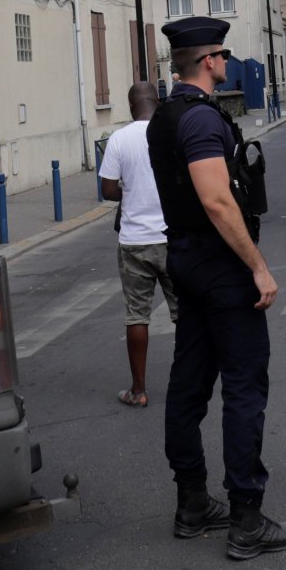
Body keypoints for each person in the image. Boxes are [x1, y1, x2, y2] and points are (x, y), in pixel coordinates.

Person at [147, 16, 286, 561]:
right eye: (224, 56)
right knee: (243, 388)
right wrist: (257, 266)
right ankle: (247, 518)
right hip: (220, 266)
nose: (228, 64)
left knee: (189, 383)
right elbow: (216, 199)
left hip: (185, 258)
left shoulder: (165, 115)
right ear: (209, 60)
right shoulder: (203, 121)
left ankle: (191, 503)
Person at [100, 81, 177, 408]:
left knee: (137, 316)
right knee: (185, 314)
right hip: (172, 237)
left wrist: (128, 190)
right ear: (157, 104)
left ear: (131, 107)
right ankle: (191, 382)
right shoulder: (172, 133)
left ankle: (139, 390)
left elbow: (108, 190)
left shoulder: (119, 139)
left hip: (134, 242)